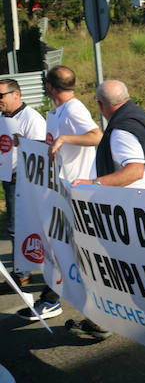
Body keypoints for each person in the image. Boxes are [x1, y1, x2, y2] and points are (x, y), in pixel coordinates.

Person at [68, 80, 145, 341]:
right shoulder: (137, 114)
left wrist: (94, 183)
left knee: (112, 267)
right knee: (136, 267)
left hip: (133, 210)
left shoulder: (121, 129)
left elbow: (133, 170)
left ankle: (106, 322)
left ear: (100, 104)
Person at [16, 67, 100, 320]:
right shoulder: (56, 112)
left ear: (50, 87)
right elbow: (53, 145)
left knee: (66, 247)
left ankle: (57, 300)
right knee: (60, 247)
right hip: (59, 190)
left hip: (77, 191)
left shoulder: (73, 109)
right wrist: (31, 146)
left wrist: (65, 139)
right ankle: (57, 299)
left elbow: (97, 136)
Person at [0, 78, 46, 293]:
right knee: (14, 229)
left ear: (16, 94)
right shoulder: (3, 118)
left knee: (34, 227)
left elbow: (40, 152)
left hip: (26, 182)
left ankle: (35, 273)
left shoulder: (31, 118)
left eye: (1, 96)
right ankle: (21, 275)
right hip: (9, 180)